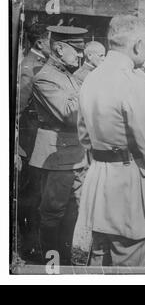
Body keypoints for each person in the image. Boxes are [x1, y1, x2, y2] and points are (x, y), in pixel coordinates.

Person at [75, 15, 145, 267]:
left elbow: (84, 137)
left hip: (99, 182)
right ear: (138, 44)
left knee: (99, 263)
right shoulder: (135, 82)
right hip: (131, 189)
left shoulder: (91, 79)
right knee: (129, 266)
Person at [29, 25, 88, 265]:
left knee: (72, 211)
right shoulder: (45, 77)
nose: (81, 56)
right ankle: (51, 264)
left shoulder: (67, 74)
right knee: (52, 213)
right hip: (57, 154)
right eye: (76, 50)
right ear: (60, 48)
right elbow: (70, 116)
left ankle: (64, 259)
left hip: (74, 152)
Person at [17, 23, 51, 262]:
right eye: (53, 41)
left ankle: (38, 243)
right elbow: (16, 111)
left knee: (40, 195)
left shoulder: (42, 66)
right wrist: (16, 149)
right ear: (40, 43)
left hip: (39, 142)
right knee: (30, 196)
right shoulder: (29, 68)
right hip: (29, 144)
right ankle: (29, 246)